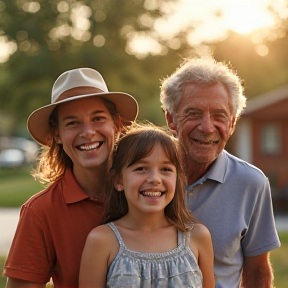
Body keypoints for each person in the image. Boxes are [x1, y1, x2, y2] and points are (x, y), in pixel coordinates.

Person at [3, 67, 138, 288]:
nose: (87, 132)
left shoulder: (148, 191)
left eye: (98, 118)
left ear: (117, 124)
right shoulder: (41, 211)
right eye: (72, 123)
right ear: (56, 134)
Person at [159, 57, 281, 288]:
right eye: (193, 113)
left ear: (232, 123)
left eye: (219, 115)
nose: (207, 127)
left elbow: (257, 274)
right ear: (171, 119)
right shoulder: (141, 177)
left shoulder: (251, 183)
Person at [79, 123, 215, 288]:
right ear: (118, 180)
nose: (155, 179)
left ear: (178, 179)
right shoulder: (102, 241)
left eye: (165, 169)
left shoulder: (197, 236)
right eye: (141, 168)